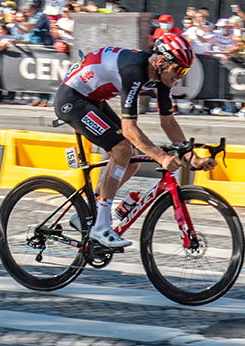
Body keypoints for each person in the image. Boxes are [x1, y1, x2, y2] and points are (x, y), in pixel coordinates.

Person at [53, 34, 216, 248]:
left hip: (92, 100)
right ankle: (101, 227)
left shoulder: (162, 76)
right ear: (161, 62)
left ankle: (86, 213)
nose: (180, 76)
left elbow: (168, 122)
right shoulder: (133, 70)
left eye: (185, 71)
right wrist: (162, 157)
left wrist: (191, 157)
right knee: (122, 149)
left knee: (131, 161)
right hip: (72, 100)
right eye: (178, 70)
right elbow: (129, 129)